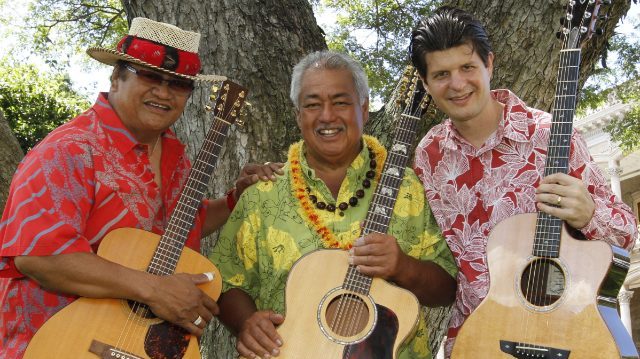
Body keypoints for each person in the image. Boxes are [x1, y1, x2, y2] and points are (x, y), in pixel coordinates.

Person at [0, 17, 283, 358]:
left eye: (178, 84)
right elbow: (40, 256)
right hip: (61, 344)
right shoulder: (70, 150)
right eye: (149, 75)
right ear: (116, 77)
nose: (163, 92)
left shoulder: (177, 158)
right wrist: (155, 290)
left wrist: (237, 198)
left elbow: (178, 227)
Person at [409, 6, 639, 357]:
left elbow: (627, 232)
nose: (457, 84)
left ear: (489, 64)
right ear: (426, 83)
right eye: (441, 74)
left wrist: (589, 214)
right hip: (481, 342)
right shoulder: (430, 155)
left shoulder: (549, 134)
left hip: (565, 334)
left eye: (467, 67)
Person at [209, 50, 458, 359]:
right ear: (299, 115)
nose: (327, 116)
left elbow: (448, 287)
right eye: (312, 104)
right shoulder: (263, 194)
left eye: (341, 102)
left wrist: (403, 266)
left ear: (364, 109)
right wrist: (247, 323)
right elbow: (225, 281)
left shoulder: (409, 187)